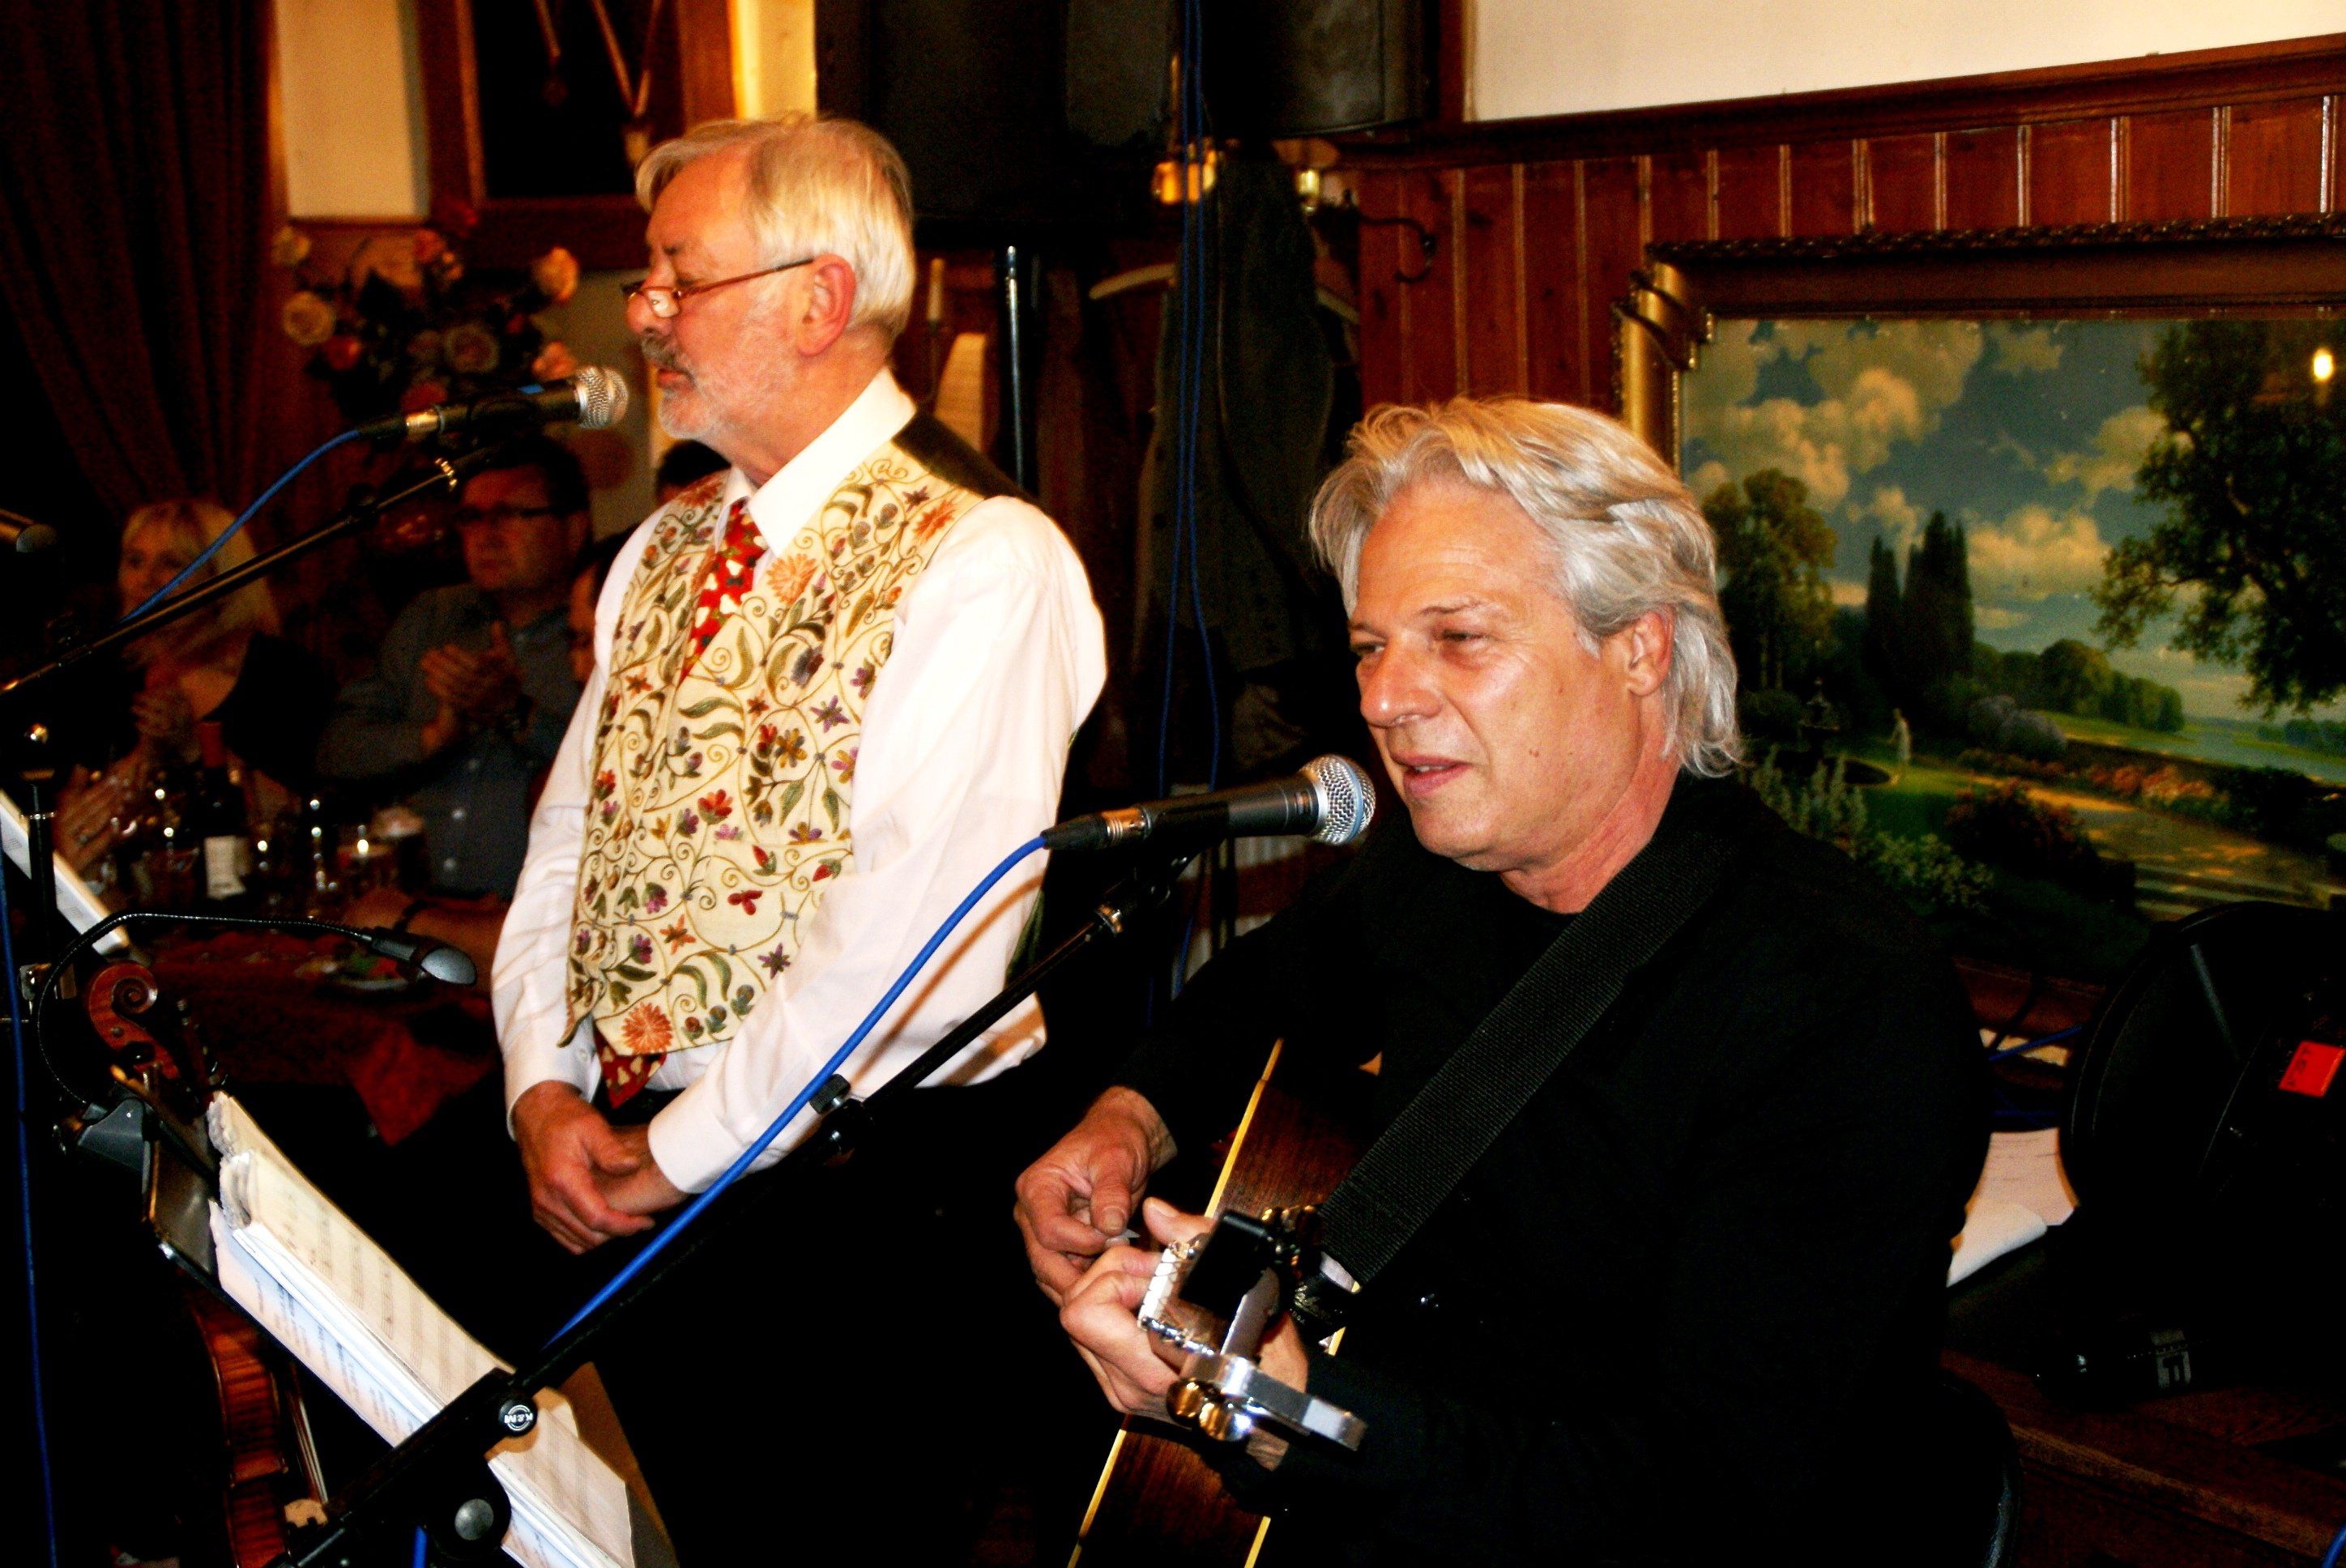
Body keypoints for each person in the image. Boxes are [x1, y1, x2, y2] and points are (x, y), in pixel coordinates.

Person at [1016, 398, 1987, 1563]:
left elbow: (1708, 1503)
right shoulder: (1430, 873)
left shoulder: (1845, 1004)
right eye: (1371, 647)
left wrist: (1298, 1420)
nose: (1384, 699)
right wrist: (1128, 1121)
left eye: (1459, 638)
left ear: (1640, 647)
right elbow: (1257, 993)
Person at [490, 113, 1104, 1561]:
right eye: (647, 279)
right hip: (648, 1170)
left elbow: (918, 949)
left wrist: (675, 1155)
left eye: (679, 276)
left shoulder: (982, 557)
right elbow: (571, 844)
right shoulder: (662, 547)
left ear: (819, 299)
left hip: (862, 1213)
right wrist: (540, 1086)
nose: (646, 314)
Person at [315, 435, 588, 898]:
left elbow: (617, 776)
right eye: (471, 517)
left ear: (573, 529)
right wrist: (431, 739)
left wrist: (515, 713)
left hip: (533, 915)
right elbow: (336, 753)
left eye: (509, 514)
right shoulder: (431, 618)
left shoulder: (601, 628)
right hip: (410, 906)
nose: (487, 535)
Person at [56, 498, 331, 876]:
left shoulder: (282, 671)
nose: (146, 580)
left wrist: (196, 744)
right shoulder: (106, 671)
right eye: (135, 562)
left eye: (171, 564)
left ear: (220, 575)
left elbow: (308, 814)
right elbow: (71, 794)